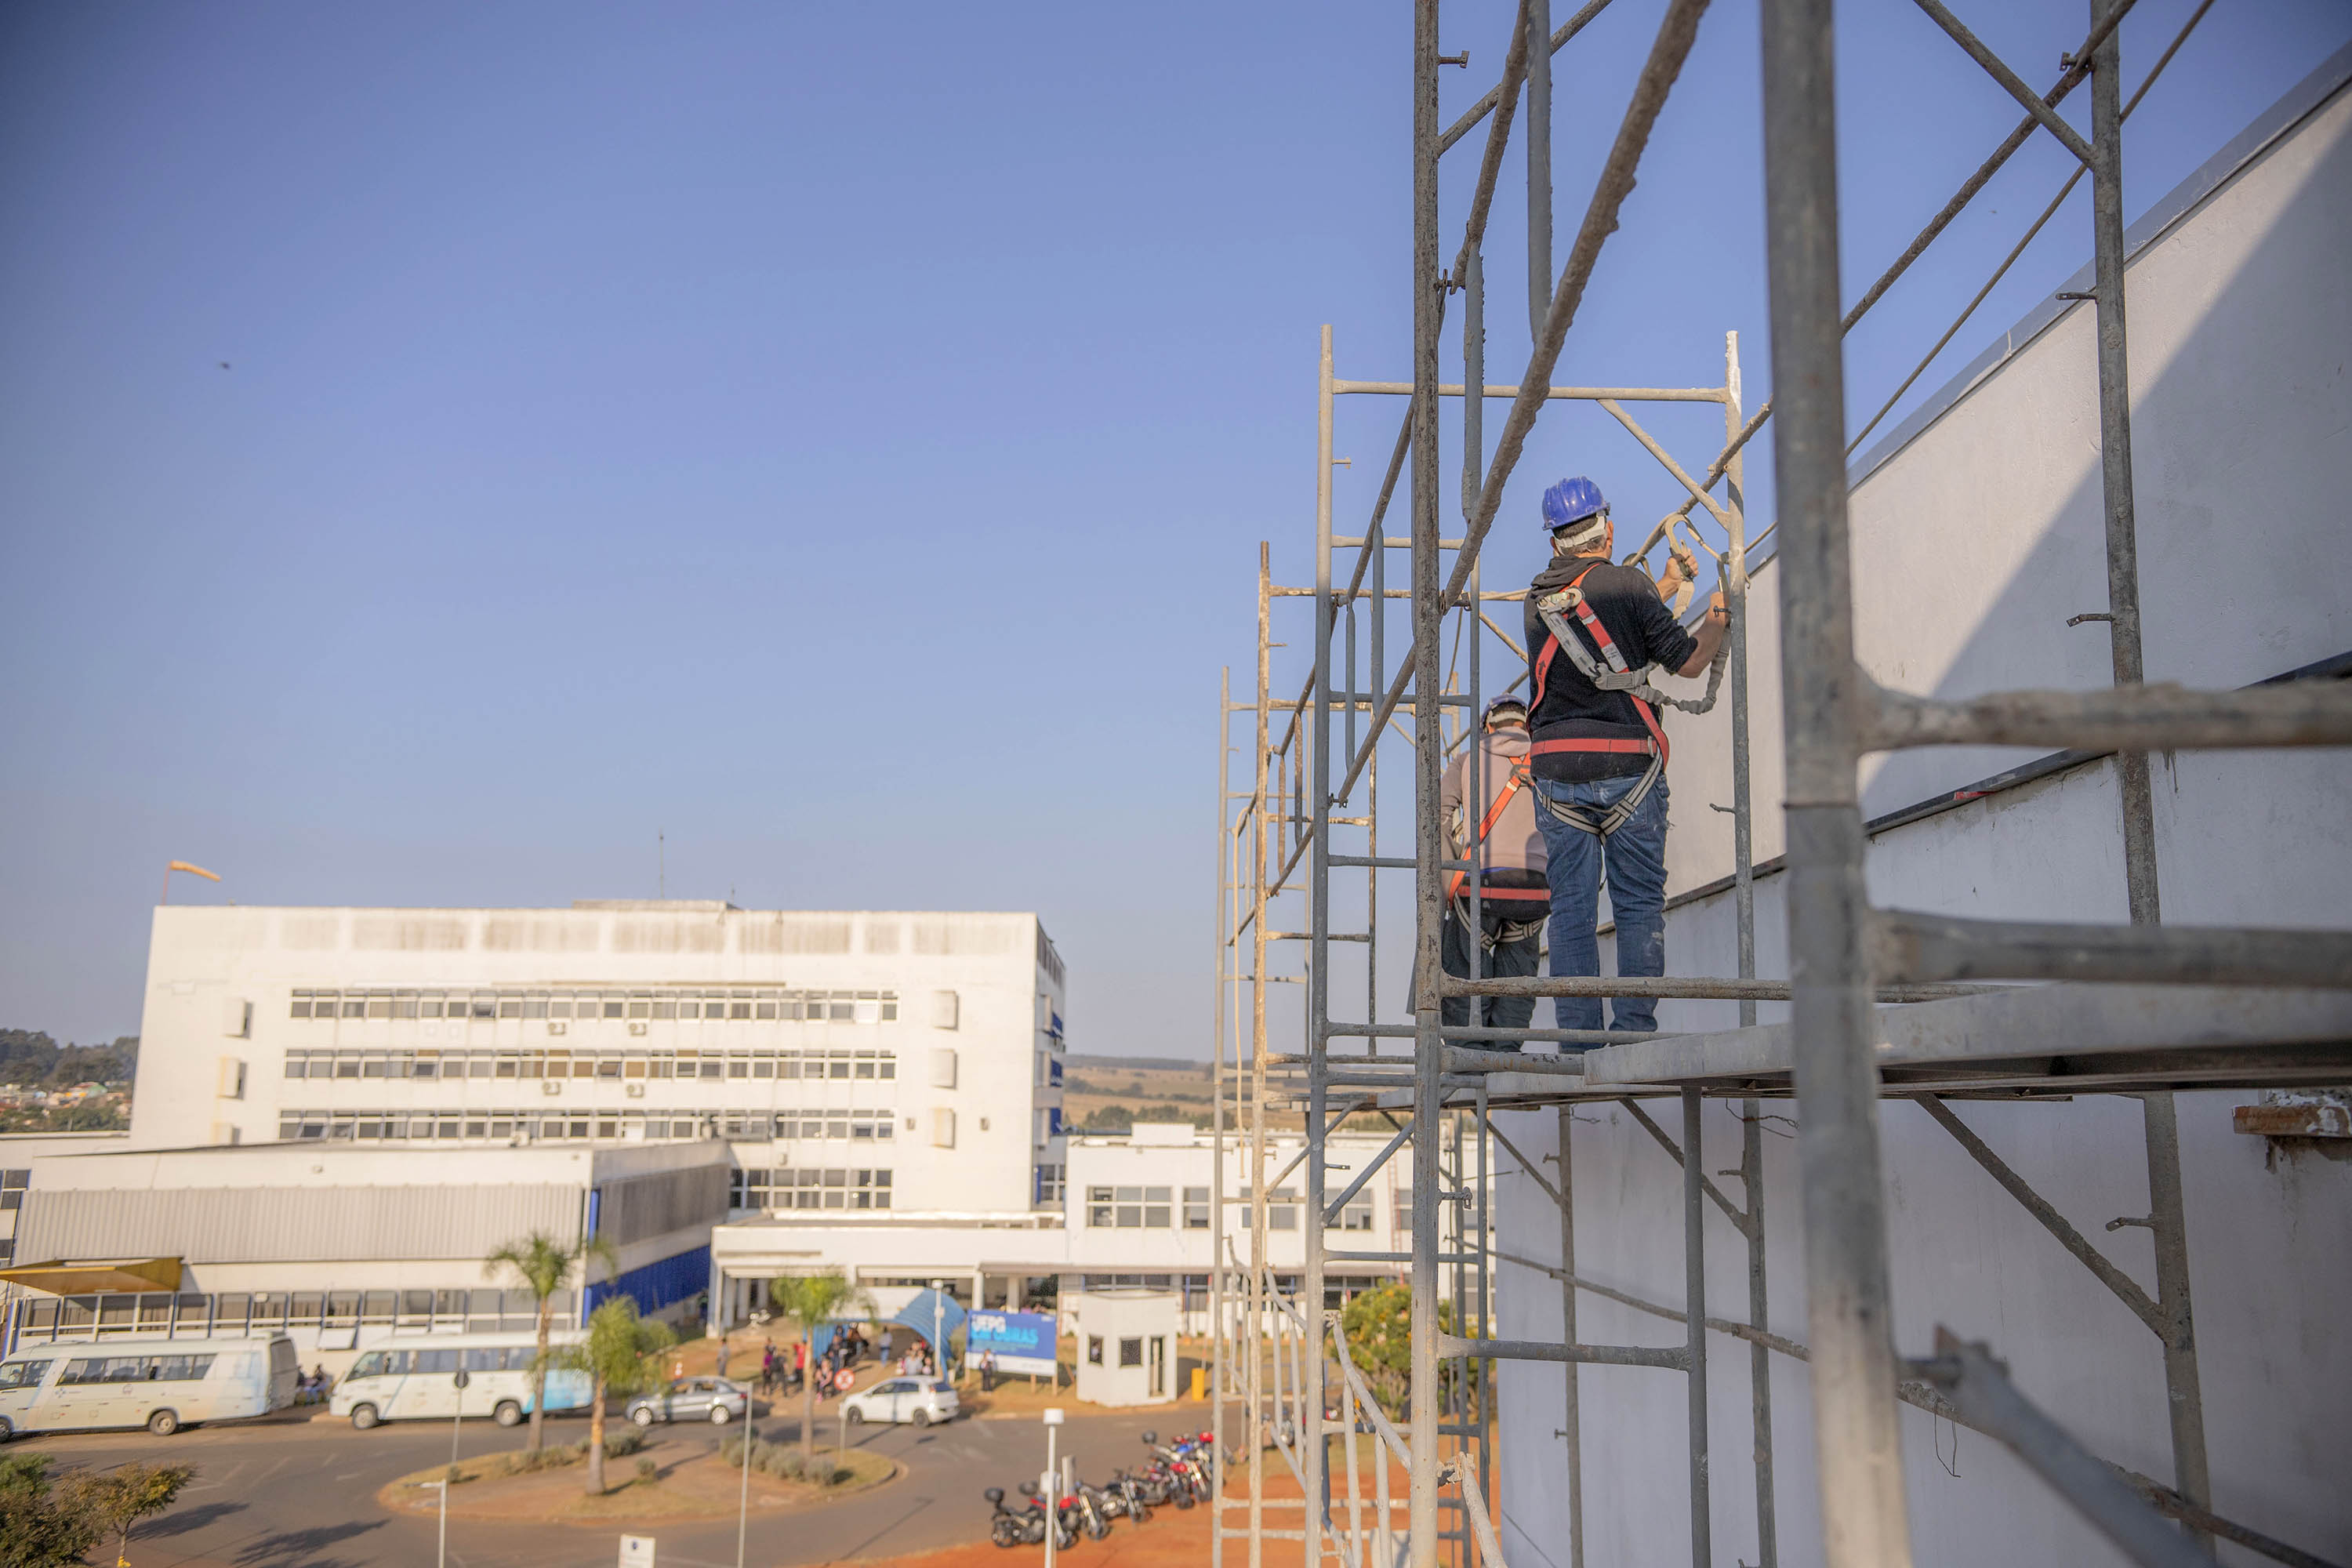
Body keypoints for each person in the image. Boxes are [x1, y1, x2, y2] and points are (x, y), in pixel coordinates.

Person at [1521, 476, 1730, 1038]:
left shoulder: (1537, 603)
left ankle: (1580, 1044)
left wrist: (1664, 584)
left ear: (1555, 542)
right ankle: (1633, 1034)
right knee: (1637, 905)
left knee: (1571, 912)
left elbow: (1597, 616)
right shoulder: (1629, 586)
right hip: (1628, 768)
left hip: (1557, 770)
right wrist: (1718, 617)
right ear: (1608, 530)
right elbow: (1688, 663)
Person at [1439, 695, 1548, 1050]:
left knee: (1465, 973)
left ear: (1487, 726)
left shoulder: (1468, 760)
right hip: (1535, 890)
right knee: (1518, 980)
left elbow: (1435, 817)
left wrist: (1449, 877)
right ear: (1526, 725)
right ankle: (1506, 1056)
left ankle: (1469, 1058)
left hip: (1481, 886)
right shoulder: (1547, 758)